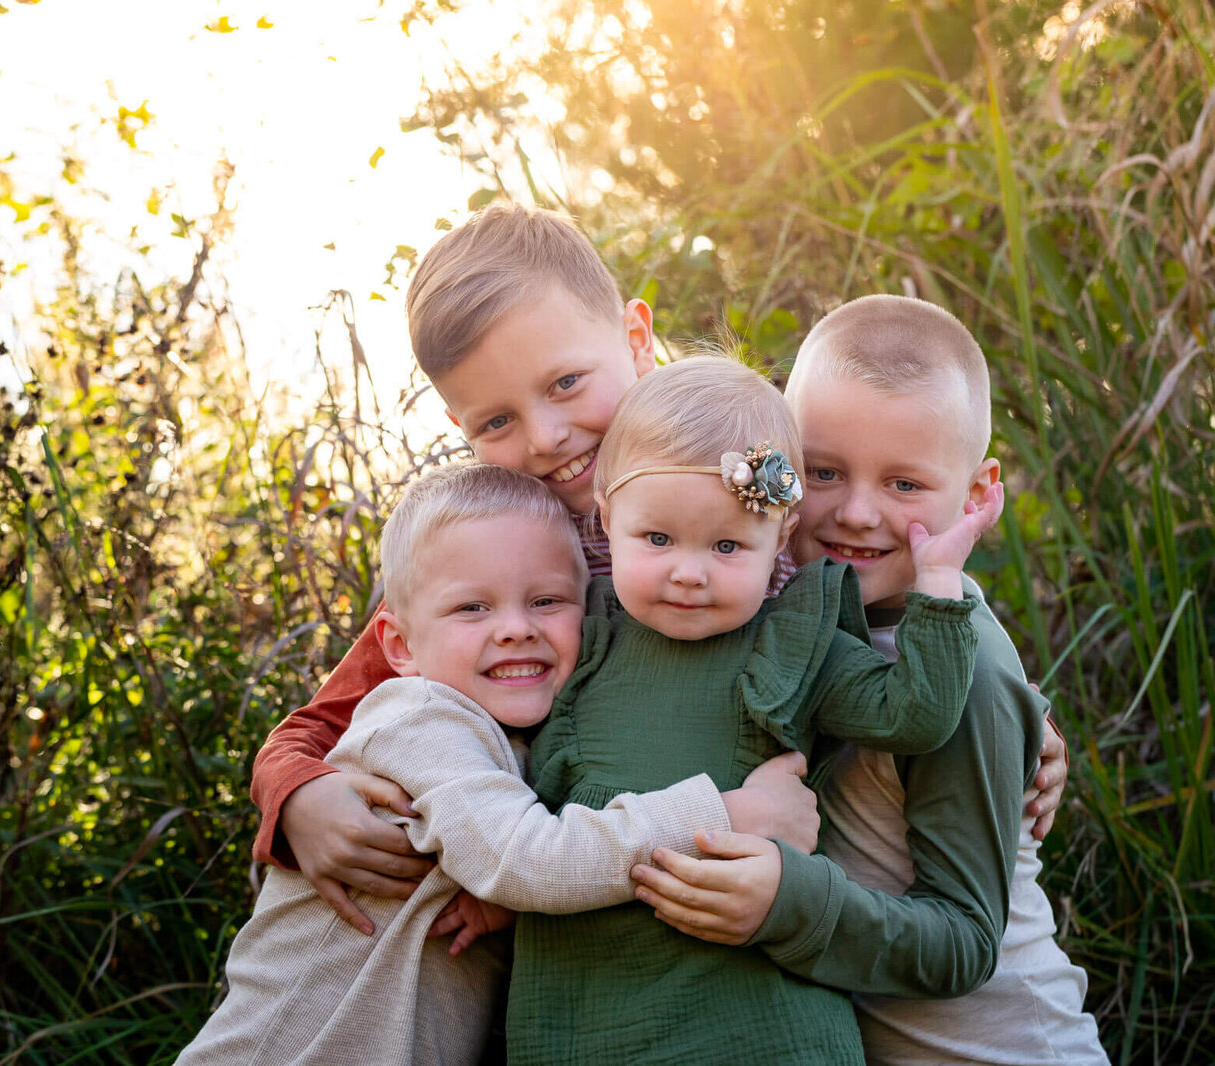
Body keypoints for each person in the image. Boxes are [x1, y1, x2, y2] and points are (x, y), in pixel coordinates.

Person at [248, 202, 1068, 940]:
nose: (544, 437)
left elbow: (873, 561)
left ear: (636, 339)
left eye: (567, 383)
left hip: (735, 877)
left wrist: (1012, 717)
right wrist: (295, 797)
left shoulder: (732, 462)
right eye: (496, 420)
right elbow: (339, 709)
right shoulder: (493, 546)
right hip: (568, 883)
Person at [631, 296, 1108, 1064]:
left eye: (905, 486)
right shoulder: (784, 598)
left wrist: (787, 903)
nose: (856, 513)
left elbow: (965, 942)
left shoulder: (969, 676)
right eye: (823, 471)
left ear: (979, 494)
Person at [504, 354, 1003, 1064]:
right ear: (609, 517)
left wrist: (942, 585)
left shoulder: (791, 643)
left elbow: (916, 715)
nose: (688, 570)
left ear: (782, 538)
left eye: (729, 545)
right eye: (657, 539)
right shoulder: (574, 627)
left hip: (756, 1020)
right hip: (584, 1005)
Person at [178, 463, 764, 1065]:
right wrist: (725, 815)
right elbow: (529, 862)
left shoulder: (512, 736)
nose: (515, 629)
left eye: (546, 601)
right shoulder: (421, 716)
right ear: (401, 647)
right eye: (471, 609)